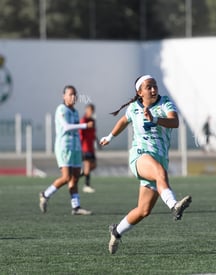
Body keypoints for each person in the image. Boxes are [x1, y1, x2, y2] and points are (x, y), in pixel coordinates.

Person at [100, 75, 192, 254]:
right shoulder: (134, 108)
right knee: (159, 172)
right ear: (139, 92)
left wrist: (155, 119)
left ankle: (116, 231)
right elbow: (122, 121)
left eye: (154, 86)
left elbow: (175, 122)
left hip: (159, 159)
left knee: (143, 210)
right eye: (148, 87)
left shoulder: (165, 103)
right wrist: (109, 137)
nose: (153, 89)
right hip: (139, 157)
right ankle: (174, 206)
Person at [39, 85, 93, 215]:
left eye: (75, 94)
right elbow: (66, 127)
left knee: (74, 178)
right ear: (64, 96)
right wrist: (85, 125)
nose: (73, 97)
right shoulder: (61, 109)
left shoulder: (75, 111)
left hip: (75, 148)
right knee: (66, 177)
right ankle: (45, 194)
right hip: (64, 147)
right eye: (70, 94)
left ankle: (76, 207)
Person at [79, 103, 98, 193]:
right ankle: (86, 185)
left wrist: (98, 142)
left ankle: (79, 174)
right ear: (86, 110)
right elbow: (80, 134)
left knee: (93, 166)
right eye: (90, 110)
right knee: (87, 165)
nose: (91, 112)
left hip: (91, 147)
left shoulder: (92, 121)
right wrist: (80, 146)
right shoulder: (83, 120)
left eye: (92, 111)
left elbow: (94, 133)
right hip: (85, 147)